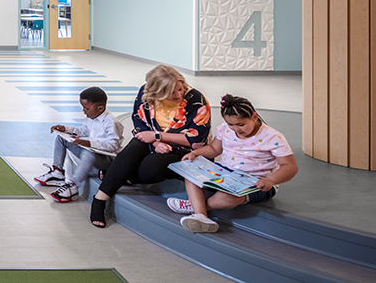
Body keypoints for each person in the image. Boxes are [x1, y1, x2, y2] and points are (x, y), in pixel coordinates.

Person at [90, 64, 211, 228]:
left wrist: (158, 136)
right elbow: (139, 123)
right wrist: (155, 142)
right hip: (154, 142)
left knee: (151, 167)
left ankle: (120, 174)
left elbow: (197, 139)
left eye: (180, 89)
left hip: (185, 151)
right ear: (158, 92)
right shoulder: (145, 94)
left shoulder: (196, 100)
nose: (178, 94)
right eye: (172, 92)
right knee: (135, 145)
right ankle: (99, 200)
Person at [168, 93, 298, 233]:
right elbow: (213, 149)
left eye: (241, 124)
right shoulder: (225, 128)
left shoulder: (272, 137)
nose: (235, 129)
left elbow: (290, 166)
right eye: (231, 124)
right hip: (225, 172)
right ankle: (201, 216)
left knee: (227, 199)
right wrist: (195, 153)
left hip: (256, 181)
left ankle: (194, 206)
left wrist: (270, 180)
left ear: (254, 116)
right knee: (190, 172)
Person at [34, 86, 124, 203]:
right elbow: (84, 131)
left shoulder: (111, 122)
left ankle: (73, 185)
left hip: (106, 161)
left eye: (86, 108)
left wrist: (90, 143)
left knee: (88, 154)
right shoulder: (92, 117)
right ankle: (57, 172)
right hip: (91, 151)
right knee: (61, 139)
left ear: (100, 108)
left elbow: (113, 145)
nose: (84, 111)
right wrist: (65, 129)